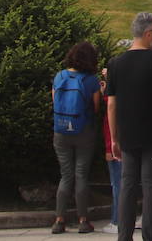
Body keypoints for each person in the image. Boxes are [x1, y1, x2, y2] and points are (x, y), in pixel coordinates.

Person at [107, 13, 152, 241]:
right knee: (150, 184)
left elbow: (111, 104)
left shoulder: (115, 63)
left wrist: (114, 137)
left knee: (128, 184)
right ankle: (150, 235)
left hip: (128, 133)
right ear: (149, 34)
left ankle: (124, 235)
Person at [52, 42, 103, 234]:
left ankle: (59, 220)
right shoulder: (91, 80)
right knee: (81, 174)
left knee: (66, 175)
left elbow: (54, 101)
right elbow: (96, 107)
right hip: (84, 131)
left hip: (61, 130)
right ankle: (83, 220)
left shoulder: (60, 76)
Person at [100, 67, 122, 235]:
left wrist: (109, 148)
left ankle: (117, 220)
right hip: (129, 143)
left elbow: (109, 126)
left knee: (117, 184)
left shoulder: (111, 101)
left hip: (115, 145)